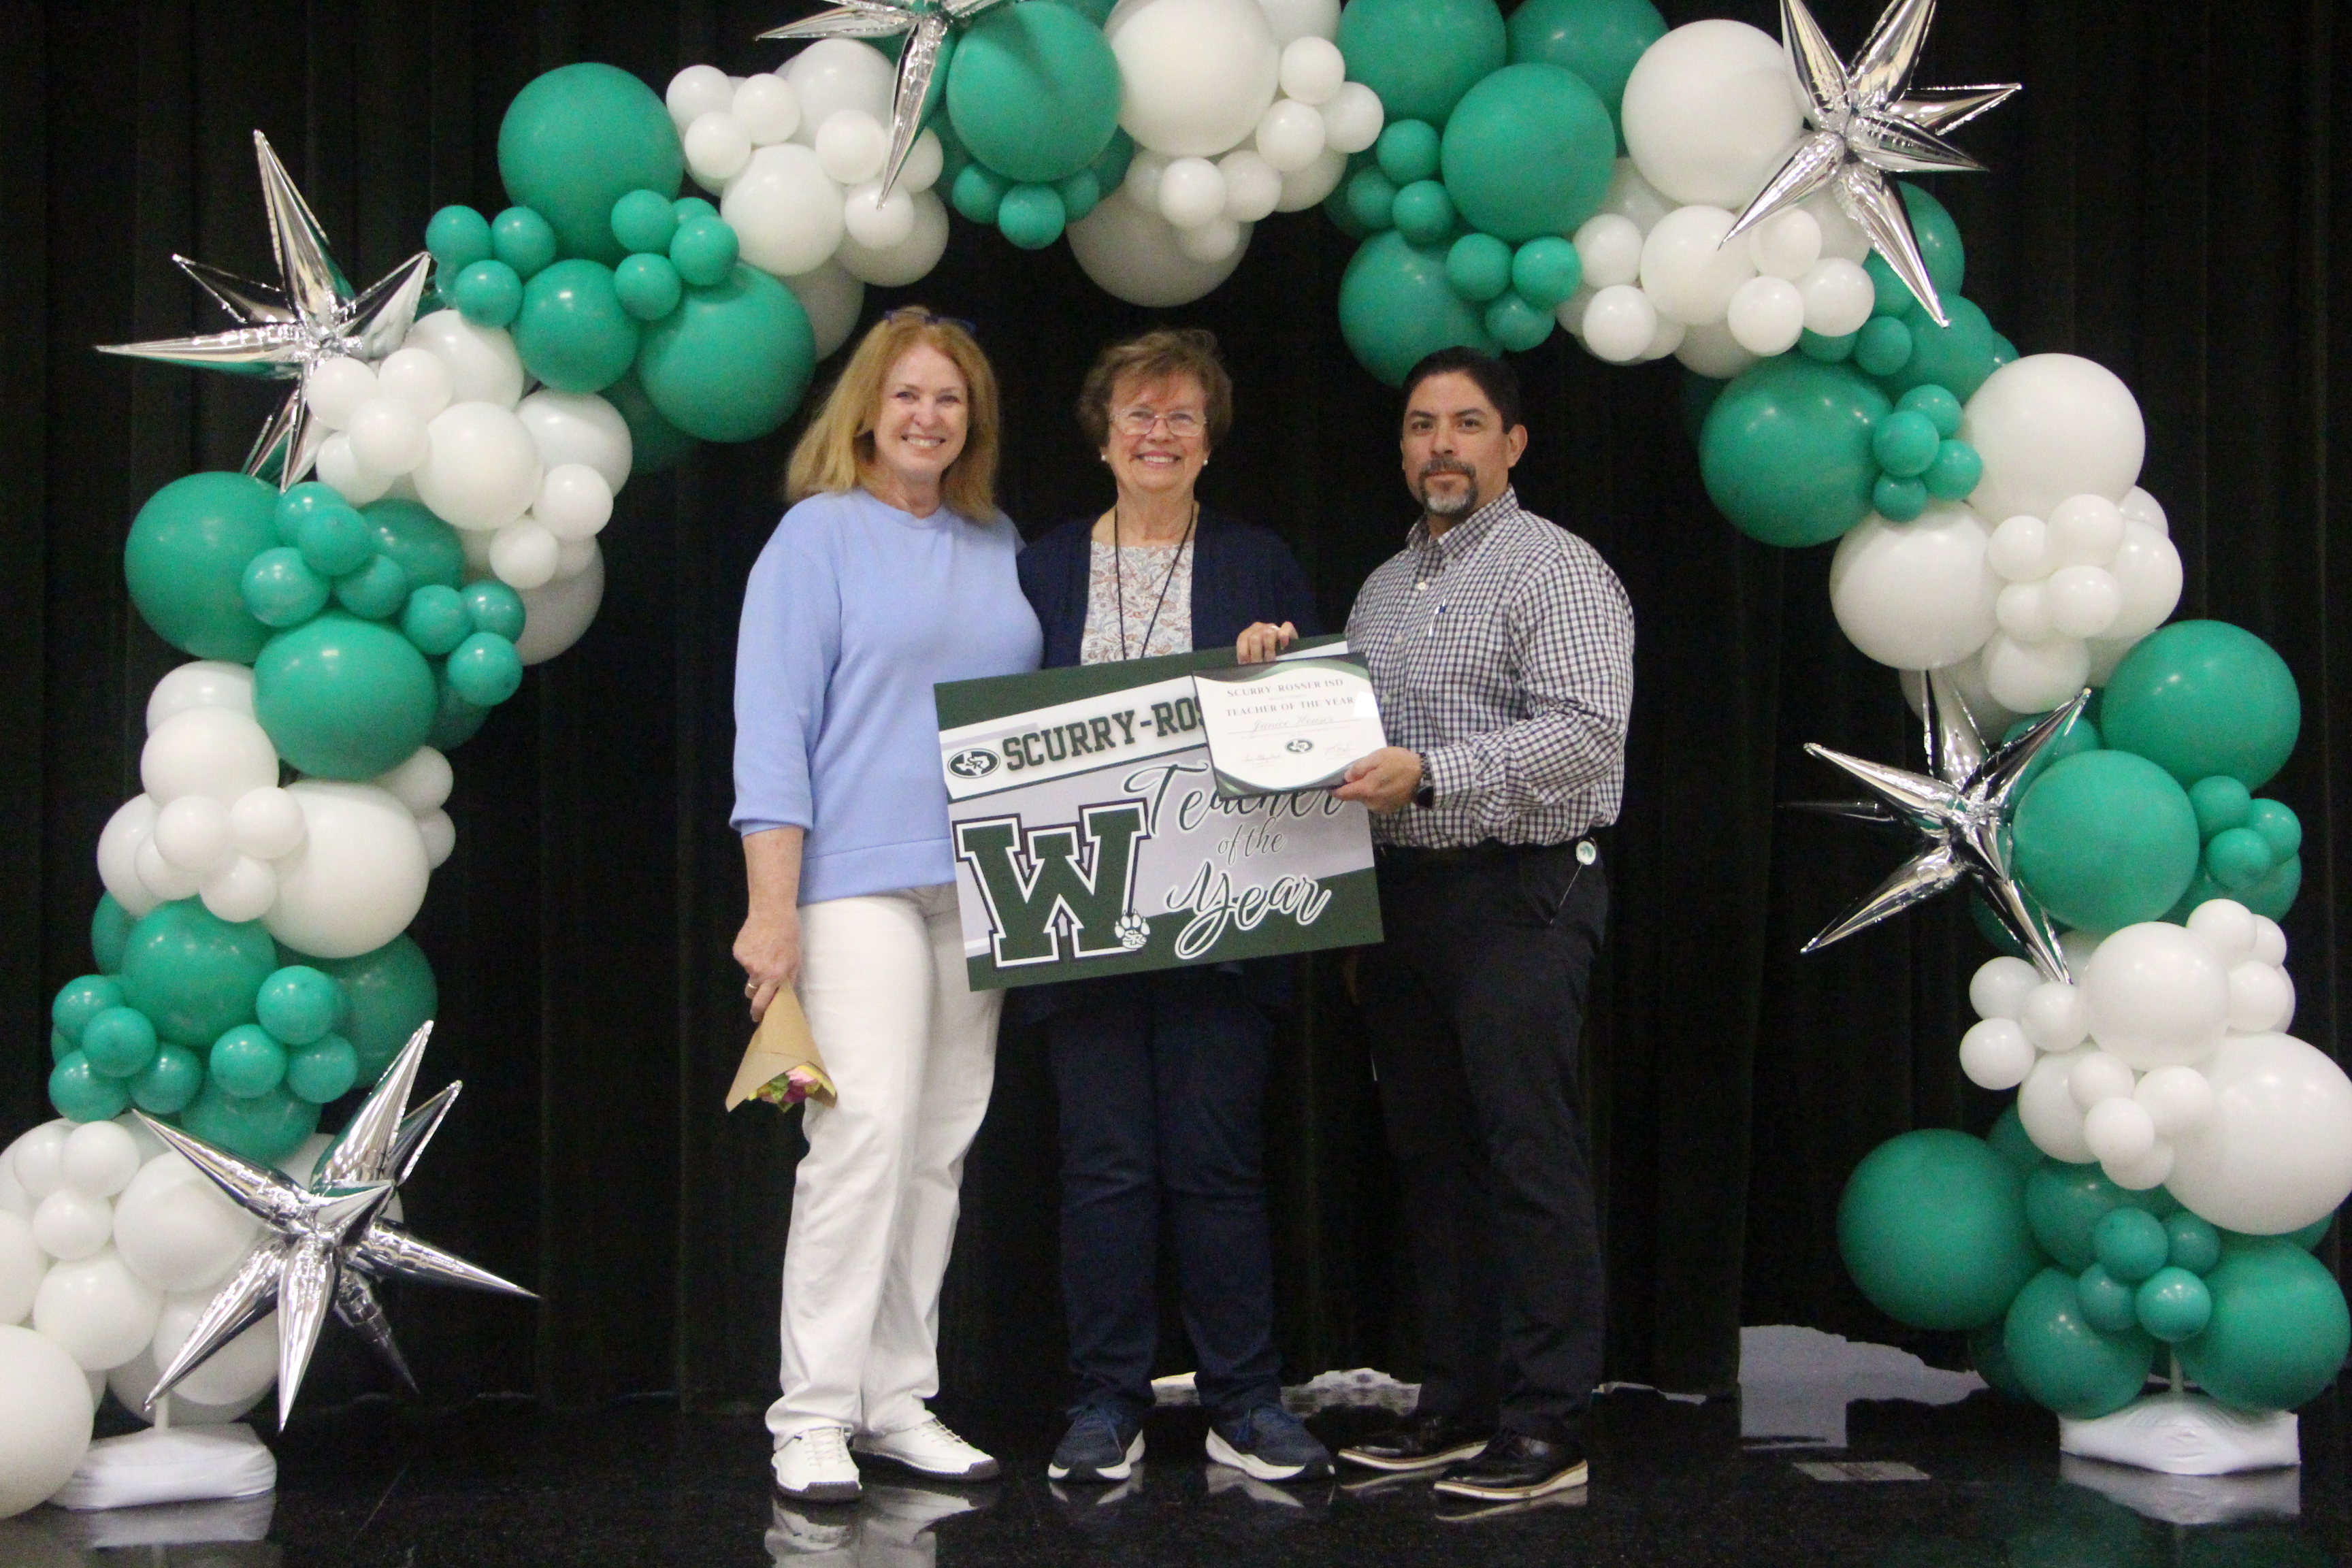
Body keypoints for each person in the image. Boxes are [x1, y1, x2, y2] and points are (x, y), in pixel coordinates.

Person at [733, 308, 1043, 1504]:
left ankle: (895, 1398)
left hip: (983, 886)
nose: (927, 417)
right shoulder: (816, 538)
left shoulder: (992, 536)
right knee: (860, 1138)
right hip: (854, 881)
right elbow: (774, 736)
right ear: (867, 407)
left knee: (941, 1145)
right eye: (907, 395)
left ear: (973, 423)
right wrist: (774, 913)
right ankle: (808, 1415)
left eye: (949, 401)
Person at [1015, 328, 1332, 1486]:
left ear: (1209, 443)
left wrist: (1278, 670)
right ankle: (1106, 1402)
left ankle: (1246, 1401)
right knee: (1105, 1168)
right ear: (1102, 436)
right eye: (1138, 415)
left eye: (1181, 417)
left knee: (1215, 1165)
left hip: (1223, 918)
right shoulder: (1041, 566)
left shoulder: (1257, 561)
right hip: (1077, 914)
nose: (1158, 434)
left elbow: (1312, 732)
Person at [1330, 347, 1634, 1504]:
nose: (1439, 446)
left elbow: (1586, 744)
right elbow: (1349, 757)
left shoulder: (1558, 572)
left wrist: (1436, 774)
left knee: (1527, 1156)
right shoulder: (1379, 590)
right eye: (1420, 426)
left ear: (1513, 443)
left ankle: (1551, 1422)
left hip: (1522, 892)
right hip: (1405, 906)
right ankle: (1454, 1404)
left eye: (1465, 424)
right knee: (1433, 1162)